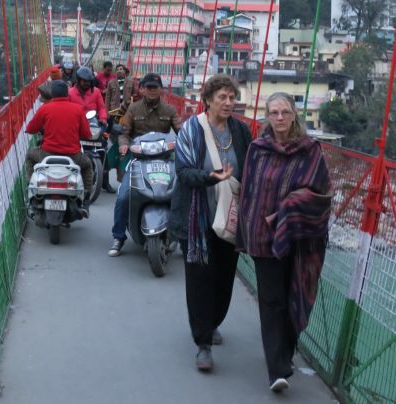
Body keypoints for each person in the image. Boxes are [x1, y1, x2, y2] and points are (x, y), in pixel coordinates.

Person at [237, 93, 331, 394]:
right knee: (271, 301)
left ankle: (285, 354)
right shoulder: (257, 149)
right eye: (274, 112)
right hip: (264, 238)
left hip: (301, 239)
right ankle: (276, 369)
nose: (279, 118)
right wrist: (250, 229)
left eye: (285, 112)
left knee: (295, 294)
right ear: (266, 115)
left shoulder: (310, 151)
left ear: (294, 116)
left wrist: (288, 208)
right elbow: (250, 193)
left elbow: (322, 194)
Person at [172, 75, 253, 373]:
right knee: (200, 280)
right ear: (207, 100)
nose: (229, 102)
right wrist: (211, 177)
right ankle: (203, 343)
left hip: (230, 217)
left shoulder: (241, 132)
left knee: (224, 279)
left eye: (232, 97)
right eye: (223, 97)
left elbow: (252, 169)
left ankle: (214, 320)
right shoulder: (191, 130)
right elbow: (183, 173)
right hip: (197, 218)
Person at [110, 72, 182, 256]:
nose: (151, 90)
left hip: (164, 161)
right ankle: (118, 237)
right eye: (148, 87)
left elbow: (181, 132)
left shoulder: (170, 110)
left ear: (161, 90)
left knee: (181, 194)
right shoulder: (133, 109)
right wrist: (124, 145)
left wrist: (186, 144)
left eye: (155, 87)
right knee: (123, 196)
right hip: (138, 161)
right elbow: (124, 132)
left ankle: (185, 238)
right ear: (142, 89)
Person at [23, 80, 96, 193]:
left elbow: (31, 129)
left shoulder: (45, 108)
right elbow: (86, 134)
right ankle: (86, 196)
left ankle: (31, 187)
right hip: (73, 156)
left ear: (52, 93)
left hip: (47, 154)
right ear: (67, 93)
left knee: (30, 155)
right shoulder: (78, 109)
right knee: (87, 165)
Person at [104, 64, 135, 191]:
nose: (119, 71)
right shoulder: (111, 83)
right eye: (117, 69)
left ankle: (123, 177)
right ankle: (107, 173)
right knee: (114, 145)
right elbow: (107, 99)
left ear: (125, 71)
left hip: (127, 114)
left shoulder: (132, 82)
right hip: (114, 115)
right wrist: (106, 114)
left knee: (125, 144)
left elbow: (135, 96)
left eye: (121, 69)